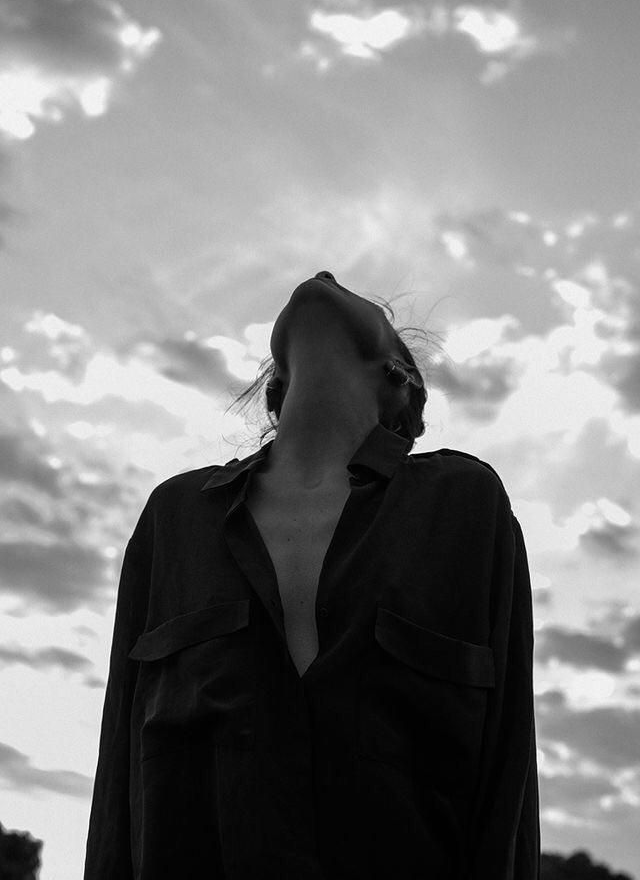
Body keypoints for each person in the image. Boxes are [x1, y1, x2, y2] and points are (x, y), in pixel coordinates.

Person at [83, 270, 540, 879]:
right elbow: (119, 782)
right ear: (275, 390)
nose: (325, 275)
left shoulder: (464, 506)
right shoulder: (175, 518)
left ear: (398, 380)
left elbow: (507, 783)